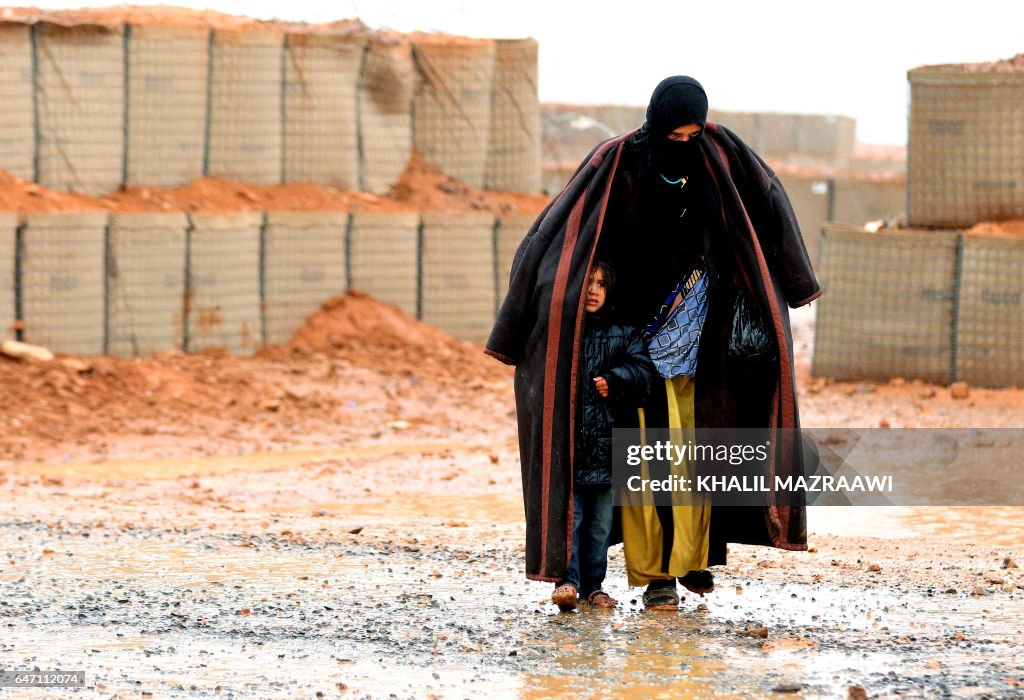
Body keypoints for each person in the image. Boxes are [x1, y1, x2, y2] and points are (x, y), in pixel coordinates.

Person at [487, 75, 820, 610]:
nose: (684, 146)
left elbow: (766, 205)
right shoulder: (617, 163)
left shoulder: (720, 158)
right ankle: (657, 578)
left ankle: (692, 561)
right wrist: (533, 315)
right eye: (675, 135)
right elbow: (559, 230)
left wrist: (789, 284)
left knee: (696, 454)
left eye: (692, 136)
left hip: (700, 340)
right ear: (656, 124)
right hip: (635, 341)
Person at [550, 261, 657, 611]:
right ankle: (568, 581)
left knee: (600, 526)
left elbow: (645, 374)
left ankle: (594, 586)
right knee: (573, 519)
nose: (593, 290)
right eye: (588, 282)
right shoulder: (564, 331)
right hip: (571, 449)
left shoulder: (624, 332)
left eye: (601, 284)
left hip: (610, 448)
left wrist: (616, 379)